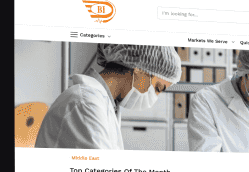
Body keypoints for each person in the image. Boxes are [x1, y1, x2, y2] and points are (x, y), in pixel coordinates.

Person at [34, 44, 181, 150]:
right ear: (140, 70)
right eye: (158, 88)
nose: (154, 96)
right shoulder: (85, 104)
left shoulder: (103, 103)